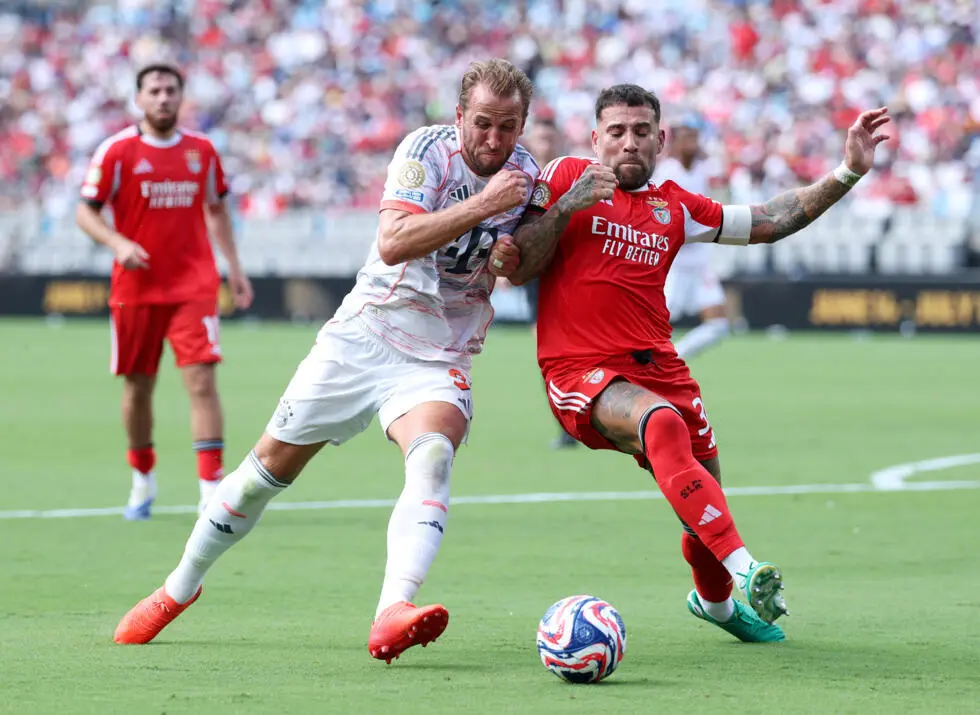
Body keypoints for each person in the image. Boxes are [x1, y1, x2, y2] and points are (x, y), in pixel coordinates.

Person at [112, 58, 537, 663]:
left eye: (510, 127)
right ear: (461, 115)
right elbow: (393, 243)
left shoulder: (527, 175)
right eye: (485, 124)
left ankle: (392, 611)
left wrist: (527, 243)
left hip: (439, 353)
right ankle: (177, 588)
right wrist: (482, 206)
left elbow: (525, 264)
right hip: (364, 336)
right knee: (265, 474)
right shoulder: (425, 152)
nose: (495, 140)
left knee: (435, 453)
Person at [510, 84, 889, 642]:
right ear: (595, 139)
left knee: (702, 500)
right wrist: (567, 205)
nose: (629, 143)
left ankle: (714, 605)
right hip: (579, 370)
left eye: (641, 132)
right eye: (616, 132)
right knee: (659, 422)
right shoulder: (566, 176)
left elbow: (769, 220)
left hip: (661, 368)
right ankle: (747, 570)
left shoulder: (676, 206)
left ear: (660, 140)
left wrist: (847, 172)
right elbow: (519, 262)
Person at [75, 64, 254, 520]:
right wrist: (118, 243)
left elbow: (217, 210)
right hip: (135, 288)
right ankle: (143, 478)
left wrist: (233, 268)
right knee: (138, 387)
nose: (162, 98)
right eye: (154, 91)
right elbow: (85, 212)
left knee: (202, 380)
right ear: (139, 99)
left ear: (181, 97)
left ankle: (210, 489)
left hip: (193, 285)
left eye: (170, 90)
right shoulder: (117, 151)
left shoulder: (201, 151)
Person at [516, 111, 578, 449]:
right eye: (540, 138)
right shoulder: (523, 177)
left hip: (571, 271)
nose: (545, 144)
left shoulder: (572, 175)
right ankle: (567, 426)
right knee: (548, 353)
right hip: (537, 276)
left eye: (550, 138)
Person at [653, 121, 731, 360]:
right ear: (674, 143)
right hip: (674, 262)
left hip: (699, 259)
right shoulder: (666, 172)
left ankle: (673, 358)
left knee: (719, 325)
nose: (693, 144)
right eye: (687, 139)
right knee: (653, 324)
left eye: (696, 138)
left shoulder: (701, 168)